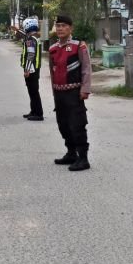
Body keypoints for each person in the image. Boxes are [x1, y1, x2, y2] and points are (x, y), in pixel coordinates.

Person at [48, 14, 92, 171]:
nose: (60, 28)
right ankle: (71, 153)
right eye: (58, 26)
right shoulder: (53, 48)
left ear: (70, 28)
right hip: (59, 94)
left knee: (77, 125)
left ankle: (83, 158)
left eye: (64, 26)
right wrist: (54, 93)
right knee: (63, 124)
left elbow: (86, 68)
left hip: (74, 93)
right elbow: (52, 73)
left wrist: (85, 89)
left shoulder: (79, 46)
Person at [20, 18, 43, 121]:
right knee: (32, 91)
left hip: (32, 69)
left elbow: (30, 55)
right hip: (35, 68)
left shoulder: (30, 39)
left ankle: (38, 113)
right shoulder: (35, 37)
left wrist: (27, 70)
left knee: (33, 92)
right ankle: (33, 111)